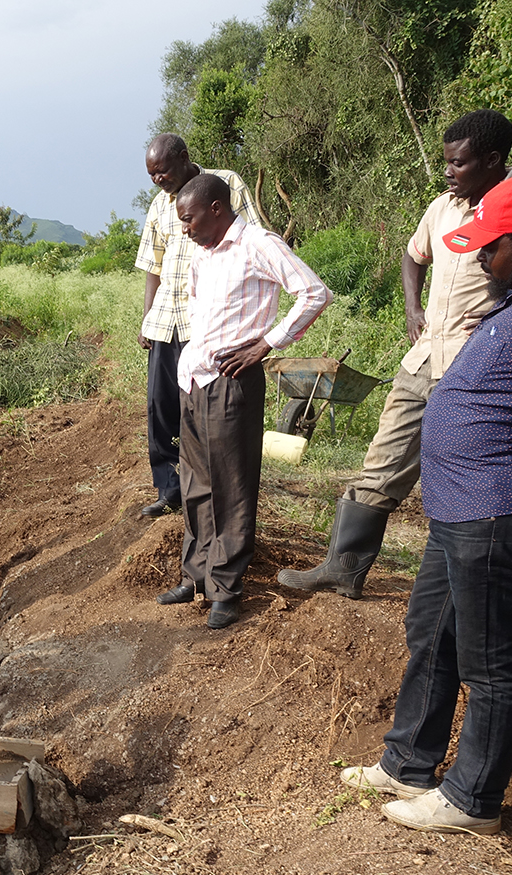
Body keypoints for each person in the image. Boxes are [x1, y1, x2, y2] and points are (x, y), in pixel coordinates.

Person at [341, 173, 512, 835]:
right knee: (435, 635)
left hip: (506, 509)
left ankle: (471, 799)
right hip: (465, 510)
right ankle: (407, 762)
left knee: (493, 661)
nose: (480, 257)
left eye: (492, 247)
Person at [278, 110, 512, 599]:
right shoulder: (444, 208)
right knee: (382, 460)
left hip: (477, 371)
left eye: (459, 163)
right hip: (424, 360)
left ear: (493, 160)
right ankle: (343, 568)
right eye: (447, 161)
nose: (448, 171)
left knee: (465, 481)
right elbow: (413, 255)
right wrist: (413, 308)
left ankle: (465, 586)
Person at [156, 174, 332, 629]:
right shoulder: (202, 255)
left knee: (231, 488)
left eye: (189, 219)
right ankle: (194, 577)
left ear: (216, 208)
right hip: (194, 381)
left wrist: (265, 344)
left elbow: (314, 293)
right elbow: (202, 315)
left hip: (231, 383)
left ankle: (226, 590)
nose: (185, 229)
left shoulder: (258, 244)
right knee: (195, 483)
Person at [134, 133, 260, 518]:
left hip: (205, 323)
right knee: (161, 408)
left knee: (204, 414)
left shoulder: (226, 184)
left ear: (185, 159)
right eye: (152, 175)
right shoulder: (159, 205)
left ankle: (206, 492)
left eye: (163, 171)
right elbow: (153, 265)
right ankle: (169, 489)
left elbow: (250, 240)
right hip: (165, 322)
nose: (158, 180)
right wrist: (147, 317)